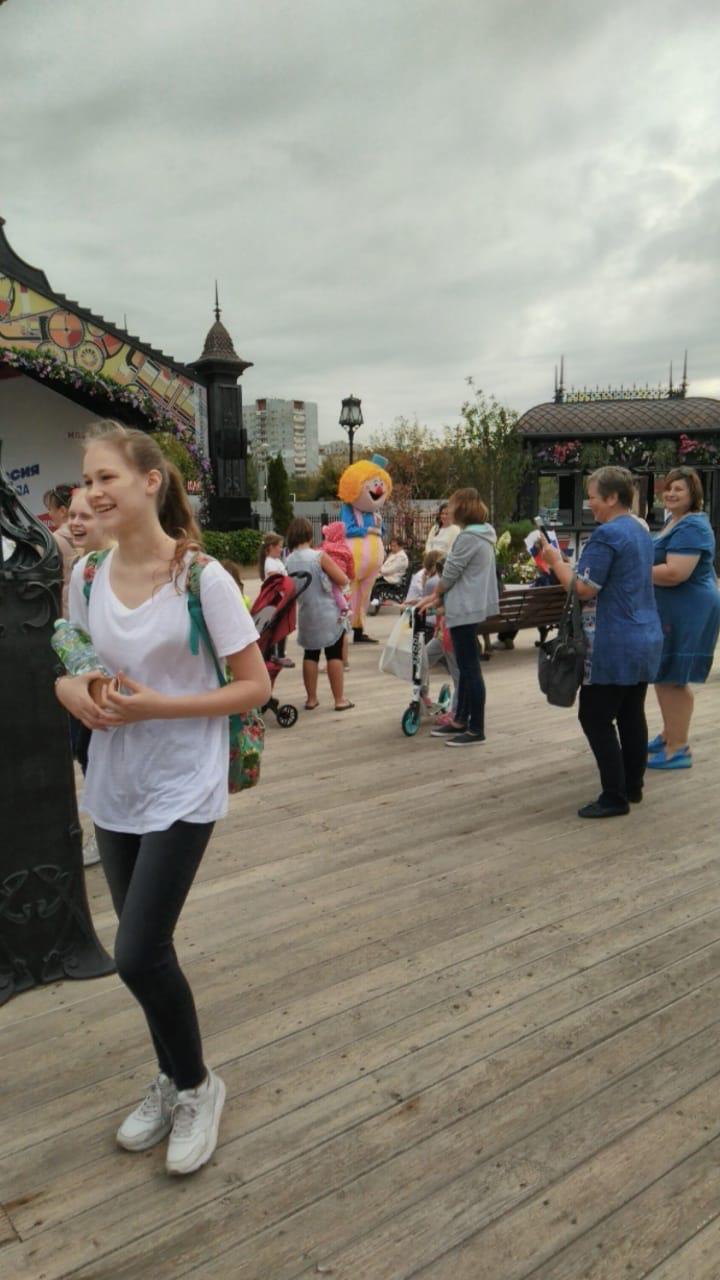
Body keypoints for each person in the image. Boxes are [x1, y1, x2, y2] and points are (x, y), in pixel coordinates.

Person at [54, 420, 270, 1176]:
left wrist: (159, 708)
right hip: (115, 781)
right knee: (149, 953)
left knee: (136, 951)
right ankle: (173, 1077)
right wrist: (71, 690)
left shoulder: (201, 578)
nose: (91, 492)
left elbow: (255, 685)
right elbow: (72, 658)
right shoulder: (87, 575)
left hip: (184, 781)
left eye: (106, 477)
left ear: (151, 482)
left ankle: (199, 1086)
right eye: (86, 480)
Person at [540, 466, 663, 818]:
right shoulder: (640, 530)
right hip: (644, 635)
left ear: (611, 498)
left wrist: (555, 562)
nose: (588, 503)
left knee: (594, 717)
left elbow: (583, 589)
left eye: (592, 497)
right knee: (631, 713)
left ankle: (614, 796)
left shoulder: (607, 534)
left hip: (613, 641)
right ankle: (632, 786)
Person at [648, 467, 720, 770]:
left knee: (673, 677)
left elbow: (676, 573)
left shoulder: (693, 526)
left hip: (689, 609)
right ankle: (669, 734)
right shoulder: (674, 521)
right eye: (668, 488)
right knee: (663, 672)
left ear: (694, 494)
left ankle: (678, 748)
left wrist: (631, 571)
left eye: (679, 489)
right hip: (675, 609)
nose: (671, 493)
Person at [419, 488, 498, 746]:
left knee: (470, 670)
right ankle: (460, 720)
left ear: (462, 509)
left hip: (464, 609)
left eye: (452, 506)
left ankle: (476, 729)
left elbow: (451, 572)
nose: (448, 510)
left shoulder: (468, 537)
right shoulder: (483, 534)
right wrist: (438, 598)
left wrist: (436, 594)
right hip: (469, 607)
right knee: (466, 669)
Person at [66, 487, 115, 867]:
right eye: (72, 515)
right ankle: (103, 830)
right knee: (89, 759)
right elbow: (79, 637)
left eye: (85, 516)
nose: (75, 523)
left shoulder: (126, 565)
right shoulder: (83, 570)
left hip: (126, 694)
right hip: (93, 691)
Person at [285, 517, 353, 711]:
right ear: (309, 534)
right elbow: (343, 579)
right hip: (328, 612)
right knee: (334, 654)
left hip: (306, 613)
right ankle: (339, 699)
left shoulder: (288, 560)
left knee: (310, 654)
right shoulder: (319, 556)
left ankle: (311, 699)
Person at [257, 532, 294, 667]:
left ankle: (279, 653)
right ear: (271, 547)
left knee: (280, 626)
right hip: (275, 600)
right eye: (279, 546)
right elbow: (277, 580)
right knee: (277, 627)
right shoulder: (270, 563)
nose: (281, 549)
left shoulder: (276, 561)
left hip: (281, 598)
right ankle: (276, 654)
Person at [44, 483, 77, 616]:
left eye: (50, 509)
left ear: (62, 511)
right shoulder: (93, 533)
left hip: (68, 608)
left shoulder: (52, 540)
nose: (49, 513)